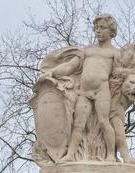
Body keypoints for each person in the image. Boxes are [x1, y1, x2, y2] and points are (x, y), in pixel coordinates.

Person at [44, 14, 120, 161]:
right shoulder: (87, 50)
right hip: (84, 92)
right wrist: (52, 72)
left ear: (111, 31)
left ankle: (111, 155)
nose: (98, 31)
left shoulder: (115, 53)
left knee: (104, 122)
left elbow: (121, 75)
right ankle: (70, 155)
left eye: (102, 28)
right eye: (96, 28)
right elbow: (69, 67)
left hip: (102, 92)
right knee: (78, 124)